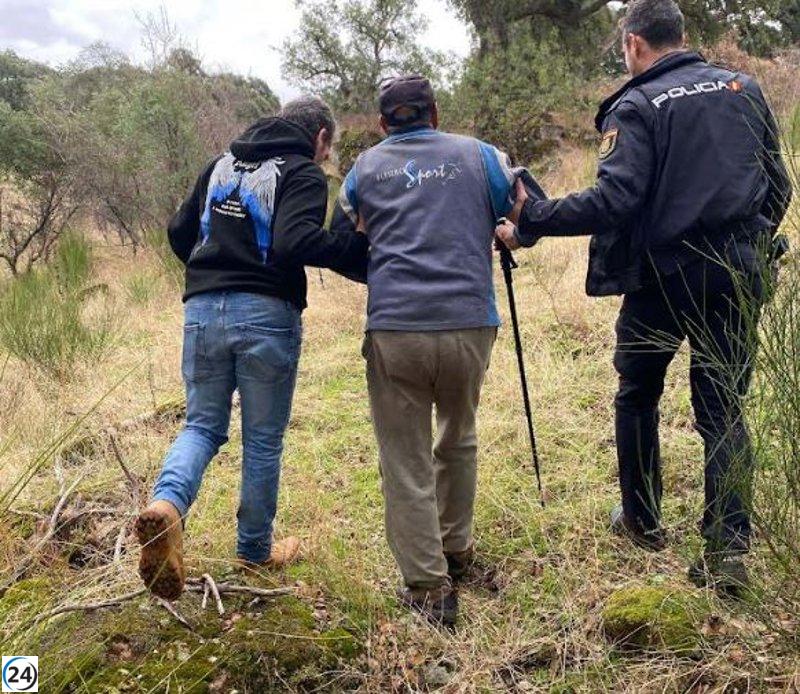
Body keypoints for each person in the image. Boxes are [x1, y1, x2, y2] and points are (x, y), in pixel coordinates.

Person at [496, 0, 791, 595]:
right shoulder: (745, 87)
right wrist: (749, 244)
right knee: (723, 409)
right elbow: (777, 184)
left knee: (637, 394)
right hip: (737, 270)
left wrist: (537, 215)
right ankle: (728, 551)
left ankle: (643, 519)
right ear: (680, 36)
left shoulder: (636, 105)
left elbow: (614, 200)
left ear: (634, 43)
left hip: (662, 278)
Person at [136, 97, 368, 601]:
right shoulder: (303, 172)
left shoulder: (219, 163)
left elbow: (179, 232)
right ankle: (255, 549)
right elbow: (293, 242)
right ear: (321, 137)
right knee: (261, 441)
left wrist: (210, 270)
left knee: (201, 425)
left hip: (201, 311)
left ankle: (167, 508)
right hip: (266, 313)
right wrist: (356, 250)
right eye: (329, 147)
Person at [332, 75, 540, 626]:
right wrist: (503, 232)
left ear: (382, 124)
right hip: (471, 322)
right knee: (459, 434)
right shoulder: (482, 156)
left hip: (396, 328)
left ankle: (428, 587)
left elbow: (343, 238)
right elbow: (530, 208)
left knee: (405, 460)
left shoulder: (363, 170)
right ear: (435, 113)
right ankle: (457, 547)